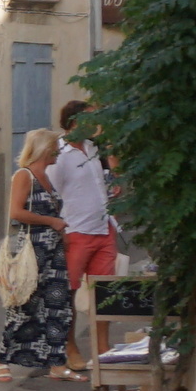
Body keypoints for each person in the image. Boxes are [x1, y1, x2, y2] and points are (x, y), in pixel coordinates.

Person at [0, 126, 78, 384]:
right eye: (55, 146)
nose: (59, 151)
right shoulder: (25, 175)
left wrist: (60, 231)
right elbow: (16, 212)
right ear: (45, 149)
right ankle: (3, 360)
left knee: (58, 307)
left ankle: (56, 362)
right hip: (33, 251)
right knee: (24, 304)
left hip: (53, 251)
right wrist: (51, 222)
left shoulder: (46, 176)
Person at [53, 106, 118, 285]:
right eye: (90, 118)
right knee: (68, 290)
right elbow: (51, 194)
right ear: (75, 122)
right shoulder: (58, 153)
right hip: (76, 230)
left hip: (104, 228)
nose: (95, 122)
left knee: (104, 292)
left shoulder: (93, 148)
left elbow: (113, 177)